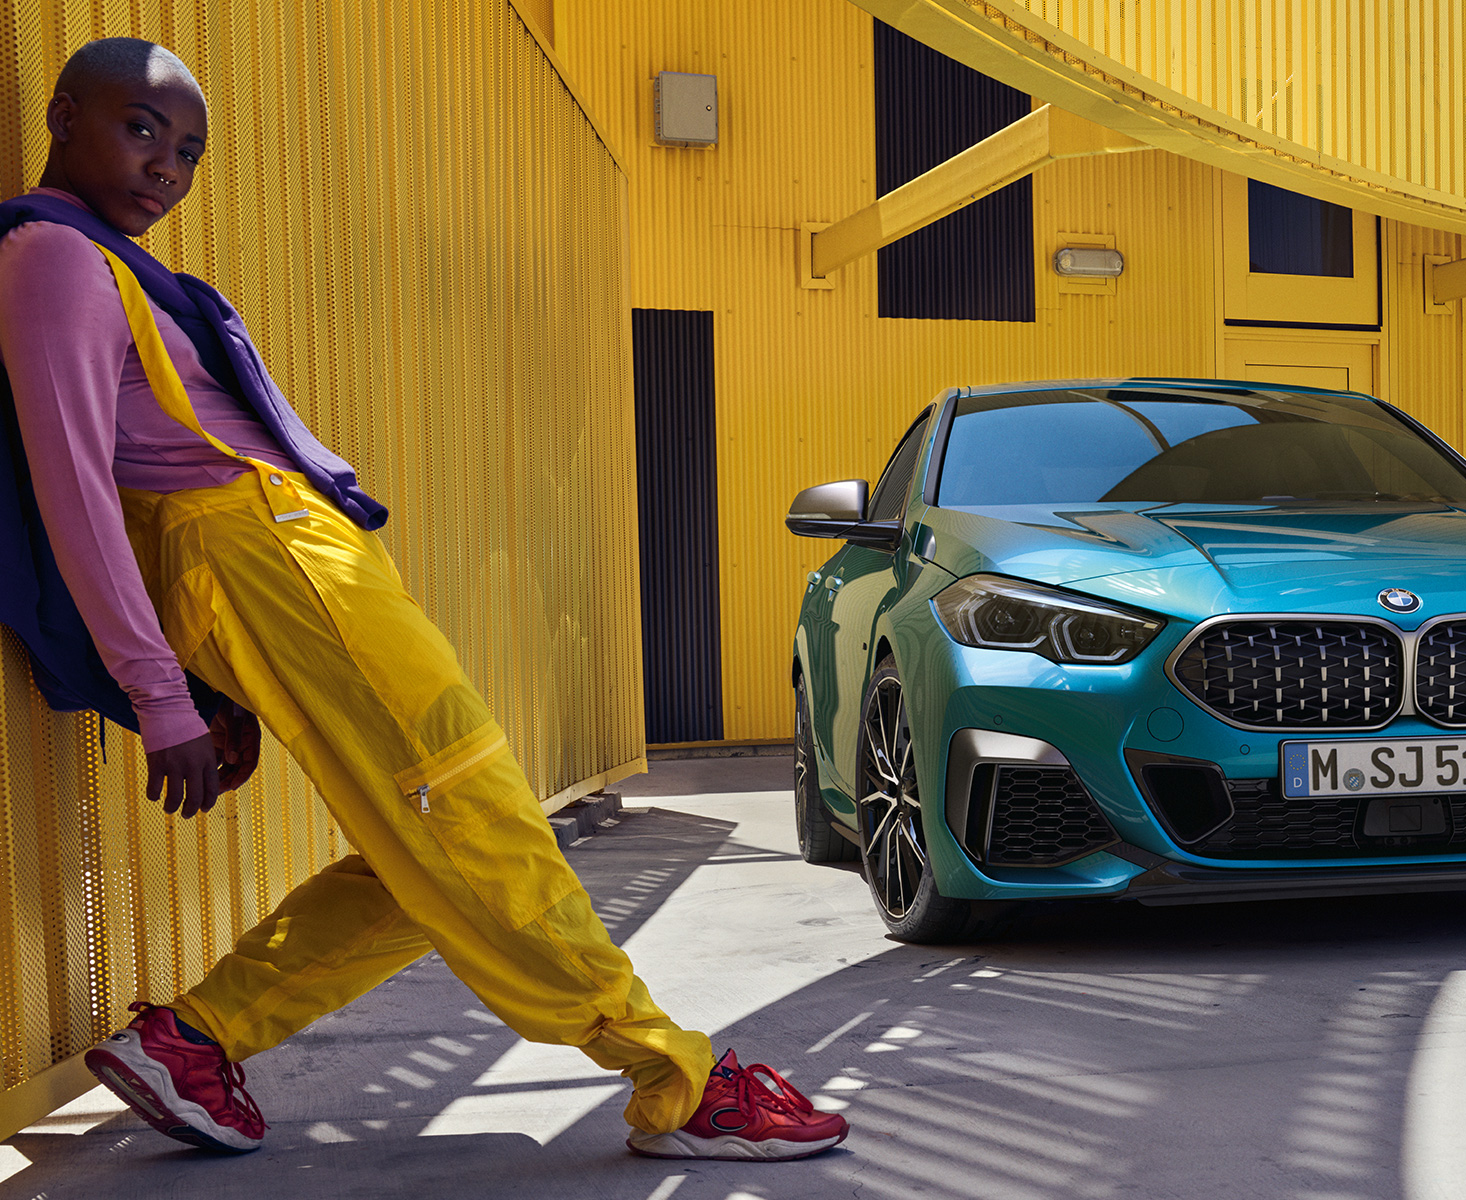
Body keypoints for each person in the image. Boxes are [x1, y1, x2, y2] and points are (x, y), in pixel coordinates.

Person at [0, 37, 846, 1162]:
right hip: (263, 558)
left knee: (428, 847)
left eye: (191, 151)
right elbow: (72, 485)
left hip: (287, 561)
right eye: (141, 128)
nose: (166, 166)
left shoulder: (104, 259)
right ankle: (675, 1075)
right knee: (475, 816)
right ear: (61, 116)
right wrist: (163, 694)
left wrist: (203, 677)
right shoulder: (53, 253)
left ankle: (198, 1040)